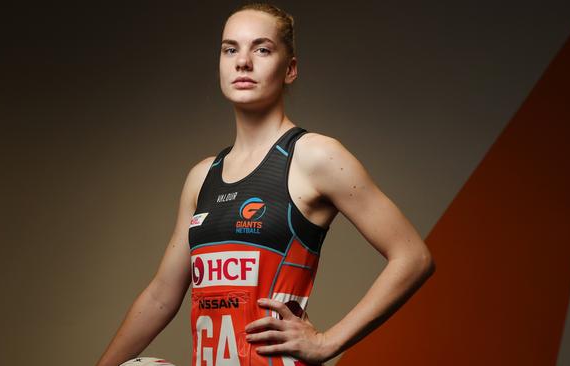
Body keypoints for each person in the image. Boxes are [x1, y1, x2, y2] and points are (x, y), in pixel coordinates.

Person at [96, 3, 435, 366]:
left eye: (262, 48)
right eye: (230, 49)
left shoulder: (313, 156)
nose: (243, 62)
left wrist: (326, 342)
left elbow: (413, 257)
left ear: (289, 69)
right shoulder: (202, 177)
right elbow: (162, 296)